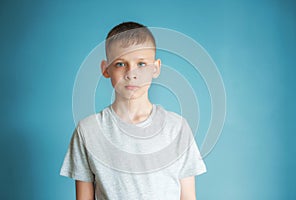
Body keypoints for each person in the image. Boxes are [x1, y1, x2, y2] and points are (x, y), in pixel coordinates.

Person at [60, 21, 207, 200]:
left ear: (156, 68)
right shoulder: (88, 130)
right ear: (106, 69)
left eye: (141, 64)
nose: (131, 74)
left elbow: (188, 197)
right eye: (121, 64)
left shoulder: (177, 128)